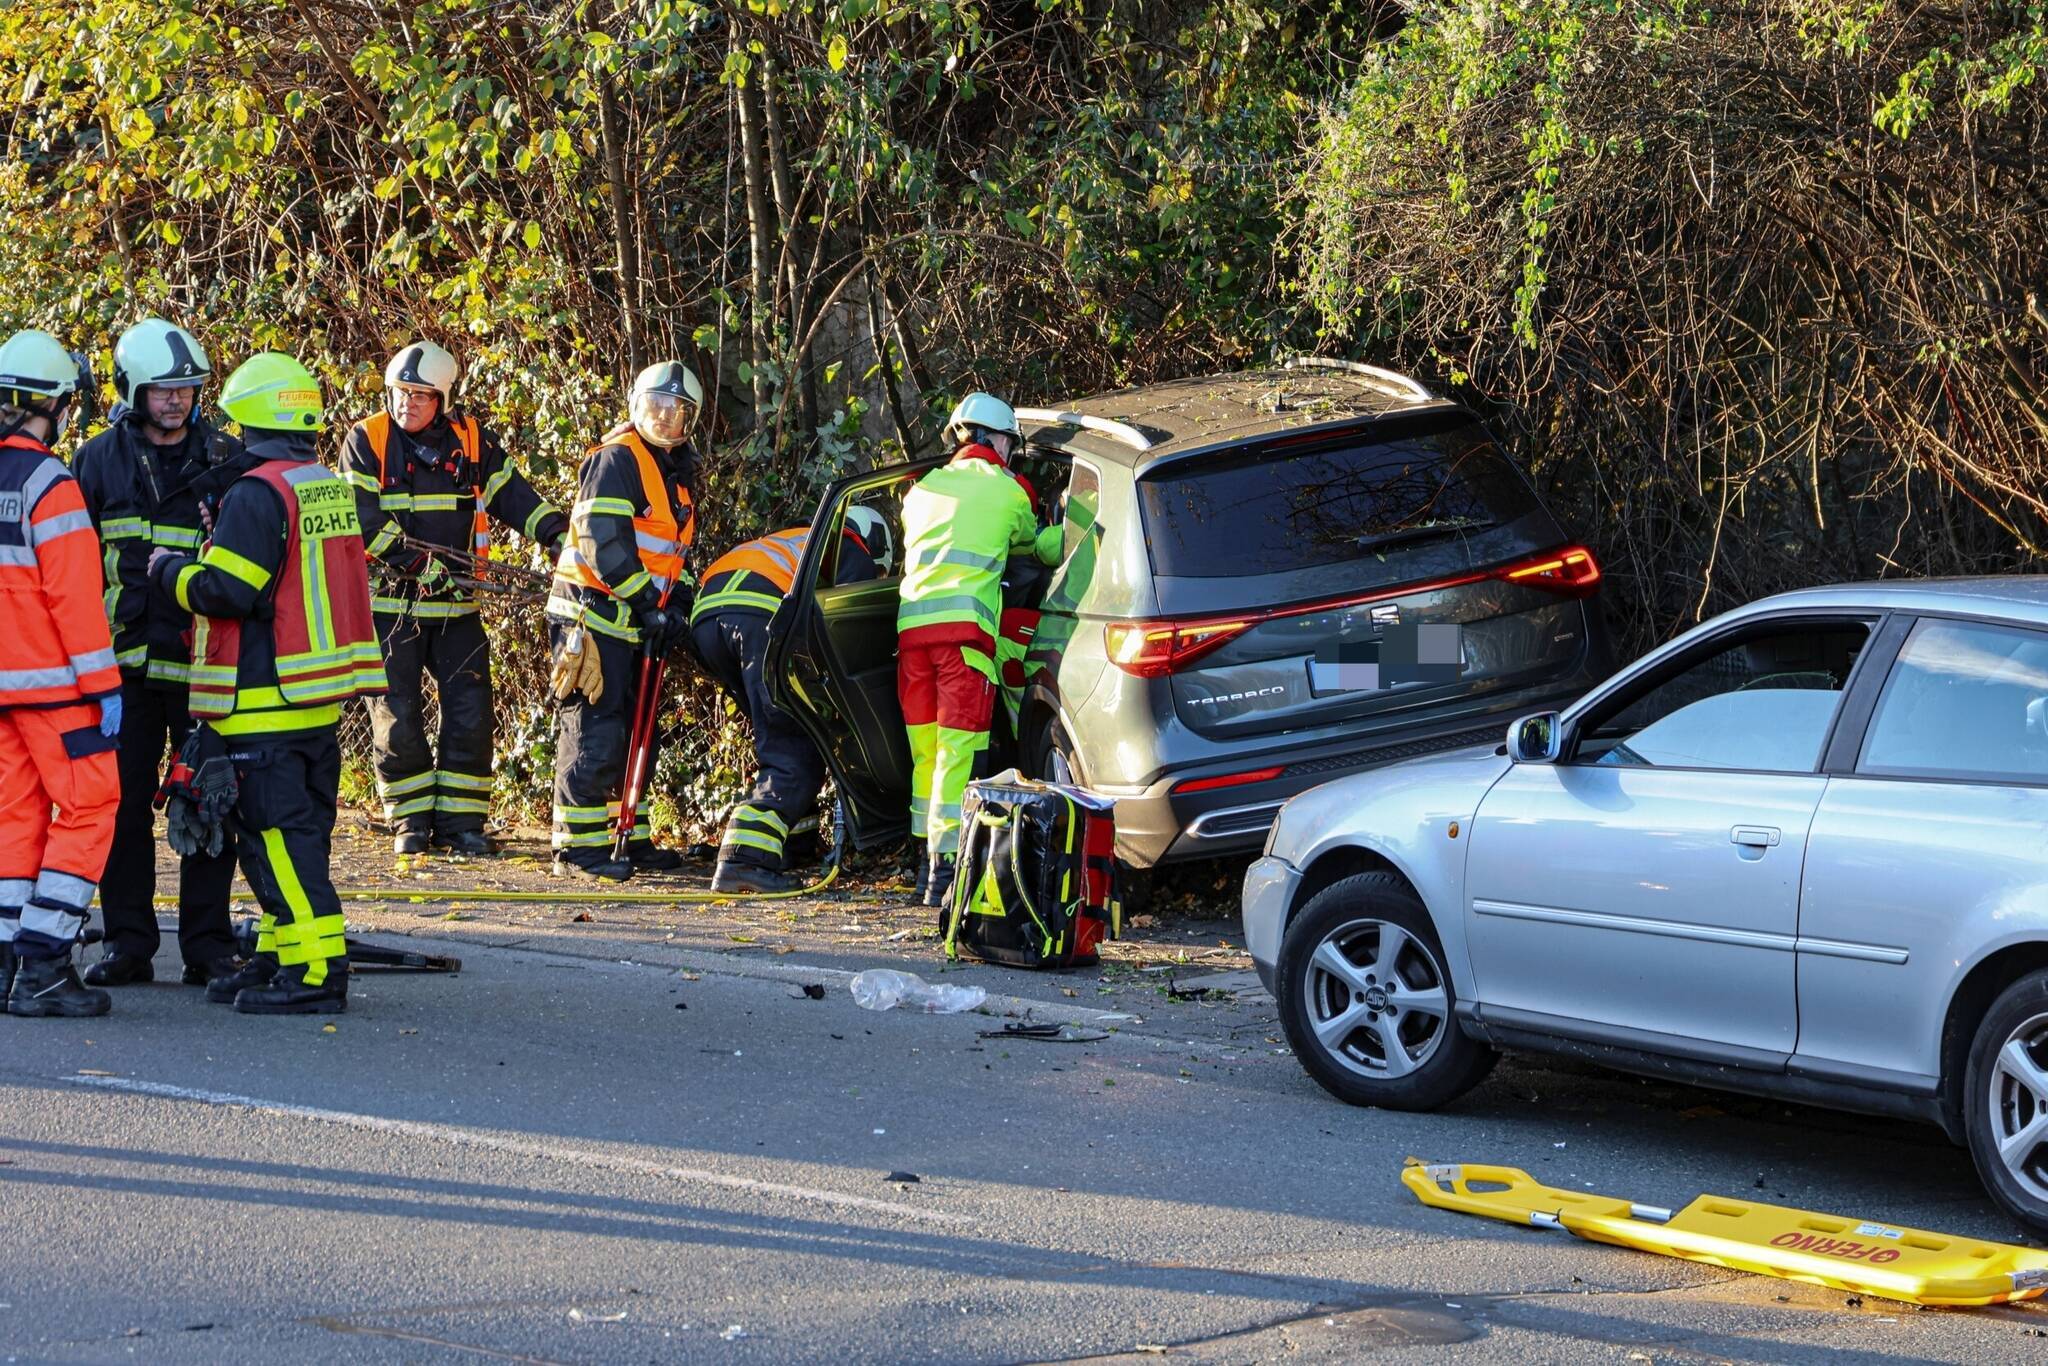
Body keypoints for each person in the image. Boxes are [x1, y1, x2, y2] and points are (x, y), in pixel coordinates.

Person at [148, 353, 387, 1013]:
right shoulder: (321, 483)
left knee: (280, 842)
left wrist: (168, 570)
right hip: (312, 701)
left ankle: (316, 974)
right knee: (280, 840)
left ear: (248, 417)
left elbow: (228, 590)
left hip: (261, 700)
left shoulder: (258, 494)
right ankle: (281, 955)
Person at [71, 317, 250, 989]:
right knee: (119, 809)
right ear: (131, 391)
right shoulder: (95, 462)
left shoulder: (226, 461)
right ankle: (128, 944)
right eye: (162, 390)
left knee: (210, 803)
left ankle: (208, 945)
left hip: (204, 668)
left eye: (186, 389)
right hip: (121, 672)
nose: (176, 401)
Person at [341, 341, 567, 856]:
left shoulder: (470, 441)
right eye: (400, 394)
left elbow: (515, 494)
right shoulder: (367, 440)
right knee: (396, 717)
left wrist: (556, 535)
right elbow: (362, 522)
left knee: (471, 712)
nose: (407, 405)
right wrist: (419, 565)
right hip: (391, 607)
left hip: (456, 609)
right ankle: (409, 822)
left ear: (444, 399)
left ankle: (462, 824)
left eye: (421, 396)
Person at [0, 330, 122, 1017]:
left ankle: (7, 961)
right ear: (50, 406)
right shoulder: (52, 485)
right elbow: (74, 601)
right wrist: (104, 687)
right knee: (89, 808)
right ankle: (44, 964)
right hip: (56, 690)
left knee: (12, 818)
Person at [897, 393, 1060, 907]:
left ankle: (920, 856)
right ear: (996, 439)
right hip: (964, 639)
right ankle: (944, 870)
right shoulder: (1010, 491)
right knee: (957, 752)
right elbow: (1032, 545)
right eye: (1010, 441)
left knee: (925, 753)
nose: (1012, 451)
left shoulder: (920, 491)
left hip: (910, 637)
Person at [545, 361, 702, 881]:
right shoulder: (618, 458)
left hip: (633, 623)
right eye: (656, 406)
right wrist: (647, 605)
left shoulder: (674, 476)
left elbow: (670, 554)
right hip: (592, 617)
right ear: (636, 406)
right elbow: (601, 542)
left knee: (638, 732)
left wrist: (675, 604)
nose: (664, 418)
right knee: (596, 730)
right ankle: (578, 846)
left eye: (677, 412)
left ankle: (624, 835)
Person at [689, 508, 885, 893]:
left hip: (706, 619)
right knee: (794, 745)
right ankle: (745, 860)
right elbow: (848, 633)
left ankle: (792, 843)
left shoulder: (793, 538)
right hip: (757, 618)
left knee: (782, 725)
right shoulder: (848, 548)